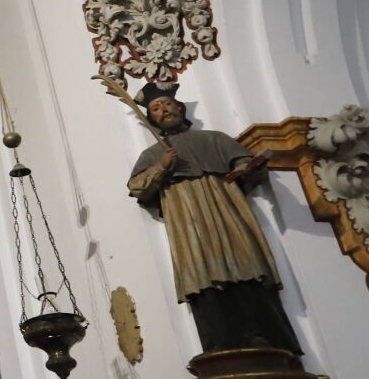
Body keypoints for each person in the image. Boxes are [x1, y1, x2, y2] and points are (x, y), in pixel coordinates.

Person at [127, 83, 303, 355]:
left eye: (168, 104)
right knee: (201, 272)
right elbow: (137, 187)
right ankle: (218, 345)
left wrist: (244, 168)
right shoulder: (152, 155)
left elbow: (243, 163)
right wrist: (162, 167)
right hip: (187, 220)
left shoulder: (214, 139)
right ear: (151, 118)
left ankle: (262, 335)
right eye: (156, 108)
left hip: (224, 209)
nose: (164, 111)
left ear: (179, 108)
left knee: (243, 262)